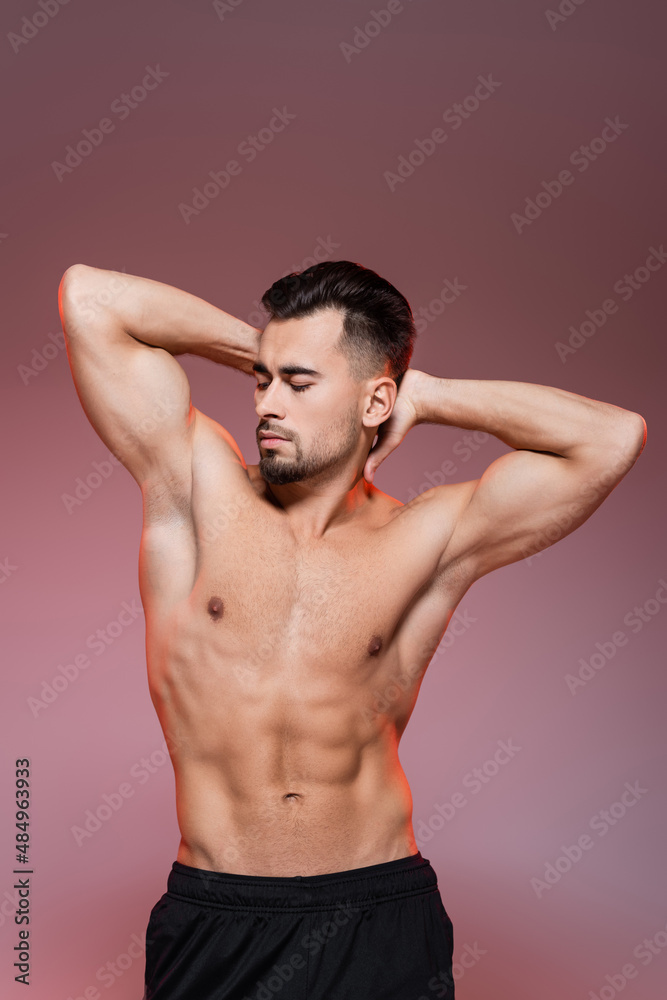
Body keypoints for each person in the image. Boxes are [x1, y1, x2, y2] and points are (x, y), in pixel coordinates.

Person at [58, 259, 646, 1000]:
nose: (267, 403)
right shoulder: (193, 484)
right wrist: (272, 352)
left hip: (379, 914)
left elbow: (611, 438)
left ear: (376, 401)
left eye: (299, 386)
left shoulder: (428, 536)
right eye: (262, 381)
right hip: (217, 913)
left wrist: (429, 396)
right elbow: (90, 297)